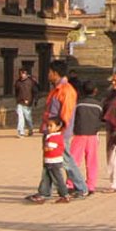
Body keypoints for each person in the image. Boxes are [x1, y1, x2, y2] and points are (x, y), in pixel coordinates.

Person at [38, 62, 89, 199]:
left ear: (55, 73)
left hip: (59, 132)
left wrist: (59, 131)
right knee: (49, 161)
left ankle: (81, 187)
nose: (48, 75)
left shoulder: (66, 90)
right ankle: (44, 191)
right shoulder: (56, 89)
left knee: (65, 160)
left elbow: (66, 113)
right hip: (51, 130)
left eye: (50, 72)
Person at [71, 79, 104, 189]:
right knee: (92, 160)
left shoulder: (78, 104)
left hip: (79, 134)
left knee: (74, 159)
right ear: (95, 91)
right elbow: (102, 118)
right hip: (93, 134)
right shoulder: (99, 105)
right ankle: (91, 184)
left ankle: (71, 183)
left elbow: (73, 118)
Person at [34, 117, 72, 204]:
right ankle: (43, 194)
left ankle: (65, 195)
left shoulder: (56, 137)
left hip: (54, 162)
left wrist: (46, 148)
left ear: (58, 127)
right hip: (49, 161)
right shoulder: (50, 136)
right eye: (48, 126)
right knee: (46, 178)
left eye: (51, 126)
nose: (48, 128)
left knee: (57, 179)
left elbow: (50, 148)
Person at [13, 68, 37, 137]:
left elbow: (35, 91)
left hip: (28, 102)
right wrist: (17, 99)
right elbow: (16, 91)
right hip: (20, 102)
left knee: (28, 118)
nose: (22, 75)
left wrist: (35, 100)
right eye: (21, 73)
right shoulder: (18, 82)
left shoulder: (31, 82)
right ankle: (21, 131)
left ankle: (30, 129)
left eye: (23, 73)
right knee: (20, 117)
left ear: (26, 74)